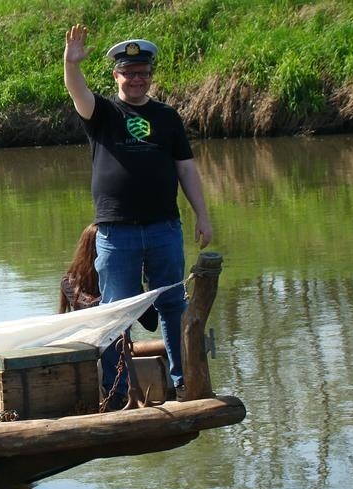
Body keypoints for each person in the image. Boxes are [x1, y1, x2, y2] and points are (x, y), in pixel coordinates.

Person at [63, 24, 213, 404]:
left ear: (150, 77)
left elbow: (186, 169)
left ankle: (184, 384)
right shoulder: (102, 113)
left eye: (142, 73)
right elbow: (77, 91)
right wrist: (71, 63)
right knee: (116, 314)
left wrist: (202, 215)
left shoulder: (167, 118)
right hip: (117, 232)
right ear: (116, 75)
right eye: (128, 73)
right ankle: (115, 395)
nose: (135, 80)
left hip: (164, 228)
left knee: (173, 306)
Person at [59, 223, 158, 334]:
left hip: (117, 344)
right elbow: (90, 310)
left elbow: (151, 323)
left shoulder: (123, 282)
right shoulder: (69, 282)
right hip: (88, 344)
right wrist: (120, 290)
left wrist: (141, 287)